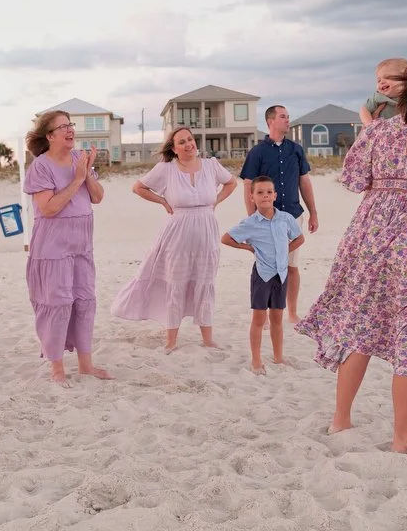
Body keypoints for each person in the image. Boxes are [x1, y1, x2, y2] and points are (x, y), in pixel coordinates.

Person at [295, 52, 407, 453]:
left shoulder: (376, 133)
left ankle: (340, 420)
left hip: (370, 240)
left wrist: (371, 128)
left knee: (361, 328)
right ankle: (402, 439)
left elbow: (355, 180)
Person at [111, 127, 237, 351]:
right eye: (182, 142)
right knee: (175, 284)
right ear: (174, 148)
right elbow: (138, 187)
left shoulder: (211, 165)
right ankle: (171, 341)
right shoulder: (166, 169)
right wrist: (162, 201)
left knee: (205, 283)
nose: (188, 144)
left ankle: (207, 339)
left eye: (190, 139)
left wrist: (216, 201)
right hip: (178, 233)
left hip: (207, 232)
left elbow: (231, 183)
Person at [23, 112, 112, 386]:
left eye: (70, 125)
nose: (70, 130)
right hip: (53, 248)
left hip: (82, 246)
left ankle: (86, 365)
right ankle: (57, 368)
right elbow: (48, 208)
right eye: (63, 127)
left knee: (85, 301)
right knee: (57, 303)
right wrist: (76, 180)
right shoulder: (40, 166)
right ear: (50, 136)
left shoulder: (78, 159)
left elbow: (97, 197)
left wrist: (86, 174)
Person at [239, 105, 318, 323]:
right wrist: (252, 220)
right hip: (266, 218)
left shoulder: (296, 150)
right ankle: (263, 315)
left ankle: (291, 313)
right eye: (283, 116)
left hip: (293, 216)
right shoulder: (257, 152)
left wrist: (313, 213)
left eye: (288, 116)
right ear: (270, 121)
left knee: (291, 266)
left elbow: (304, 182)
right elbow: (248, 186)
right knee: (266, 267)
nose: (287, 120)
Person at [221, 176, 304, 374]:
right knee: (259, 319)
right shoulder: (249, 223)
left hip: (281, 275)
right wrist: (249, 248)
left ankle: (278, 357)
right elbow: (226, 238)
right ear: (252, 197)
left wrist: (284, 251)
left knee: (277, 319)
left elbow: (299, 238)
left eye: (268, 192)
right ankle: (256, 360)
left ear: (275, 195)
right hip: (262, 275)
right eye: (260, 192)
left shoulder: (286, 218)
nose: (265, 196)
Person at [360, 57, 407, 124]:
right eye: (378, 80)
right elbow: (364, 110)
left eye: (387, 77)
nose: (381, 82)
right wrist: (370, 125)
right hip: (383, 129)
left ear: (405, 78)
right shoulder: (378, 97)